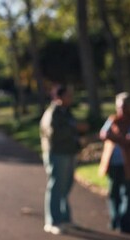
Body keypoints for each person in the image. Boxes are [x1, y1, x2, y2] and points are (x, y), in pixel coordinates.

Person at [39, 85, 88, 235]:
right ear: (58, 97)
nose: (71, 98)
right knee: (56, 186)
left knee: (65, 187)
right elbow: (54, 134)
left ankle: (65, 218)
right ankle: (52, 221)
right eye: (68, 96)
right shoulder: (52, 113)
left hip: (69, 153)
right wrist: (75, 128)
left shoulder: (66, 112)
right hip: (57, 154)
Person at [98, 92, 130, 233]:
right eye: (119, 107)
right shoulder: (112, 120)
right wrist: (120, 139)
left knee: (127, 194)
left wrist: (115, 137)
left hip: (128, 164)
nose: (121, 110)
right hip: (112, 162)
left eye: (124, 107)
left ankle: (125, 222)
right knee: (113, 193)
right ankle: (115, 219)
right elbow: (103, 134)